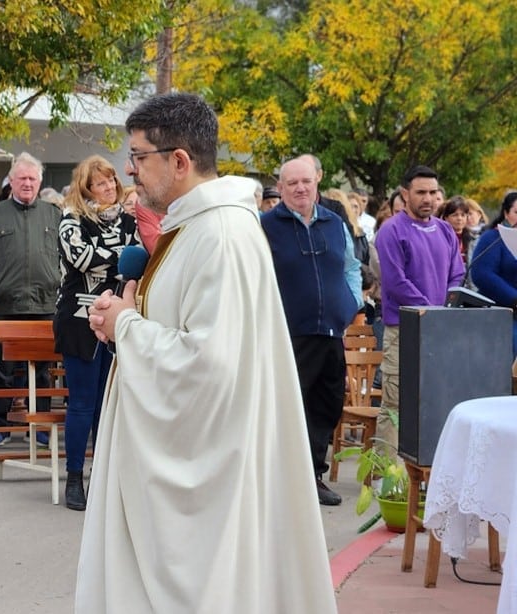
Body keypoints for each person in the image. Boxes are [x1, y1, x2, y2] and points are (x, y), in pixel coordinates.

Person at [78, 92, 336, 613]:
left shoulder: (220, 233)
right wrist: (127, 312)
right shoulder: (196, 224)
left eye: (138, 157)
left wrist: (125, 325)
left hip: (212, 474)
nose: (130, 172)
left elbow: (208, 366)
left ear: (179, 160)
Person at [262, 158, 363, 507]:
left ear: (317, 180)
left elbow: (351, 268)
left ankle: (313, 476)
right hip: (288, 333)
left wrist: (349, 307)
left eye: (306, 181)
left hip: (332, 331)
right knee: (289, 407)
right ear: (281, 185)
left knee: (326, 404)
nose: (300, 188)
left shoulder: (335, 223)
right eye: (292, 183)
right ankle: (280, 479)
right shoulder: (265, 226)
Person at [54, 155, 137, 511]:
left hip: (117, 317)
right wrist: (119, 257)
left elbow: (138, 262)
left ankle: (103, 478)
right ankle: (75, 477)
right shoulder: (71, 220)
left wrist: (115, 257)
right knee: (83, 402)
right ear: (86, 188)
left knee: (110, 403)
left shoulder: (130, 220)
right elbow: (82, 258)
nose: (108, 188)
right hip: (78, 317)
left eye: (111, 181)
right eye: (99, 183)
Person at [0, 152, 62, 447]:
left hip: (44, 305)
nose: (27, 183)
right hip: (6, 306)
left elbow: (66, 257)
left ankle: (39, 428)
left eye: (32, 178)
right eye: (21, 178)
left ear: (39, 182)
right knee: (1, 370)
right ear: (11, 181)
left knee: (42, 372)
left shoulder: (54, 215)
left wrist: (56, 282)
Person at [374, 165, 464, 453]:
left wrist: (446, 306)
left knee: (435, 401)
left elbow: (457, 275)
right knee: (395, 403)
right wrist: (431, 310)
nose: (428, 198)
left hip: (440, 330)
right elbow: (396, 282)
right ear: (405, 193)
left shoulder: (446, 230)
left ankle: (426, 472)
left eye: (433, 192)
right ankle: (386, 475)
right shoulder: (391, 231)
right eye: (421, 192)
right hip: (403, 330)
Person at [470, 191, 517, 357]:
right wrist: (514, 298)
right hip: (501, 314)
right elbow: (482, 274)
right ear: (506, 213)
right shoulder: (493, 238)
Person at [436, 195, 474, 266]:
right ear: (446, 218)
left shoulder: (473, 239)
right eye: (455, 215)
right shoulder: (440, 238)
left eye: (463, 215)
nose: (459, 218)